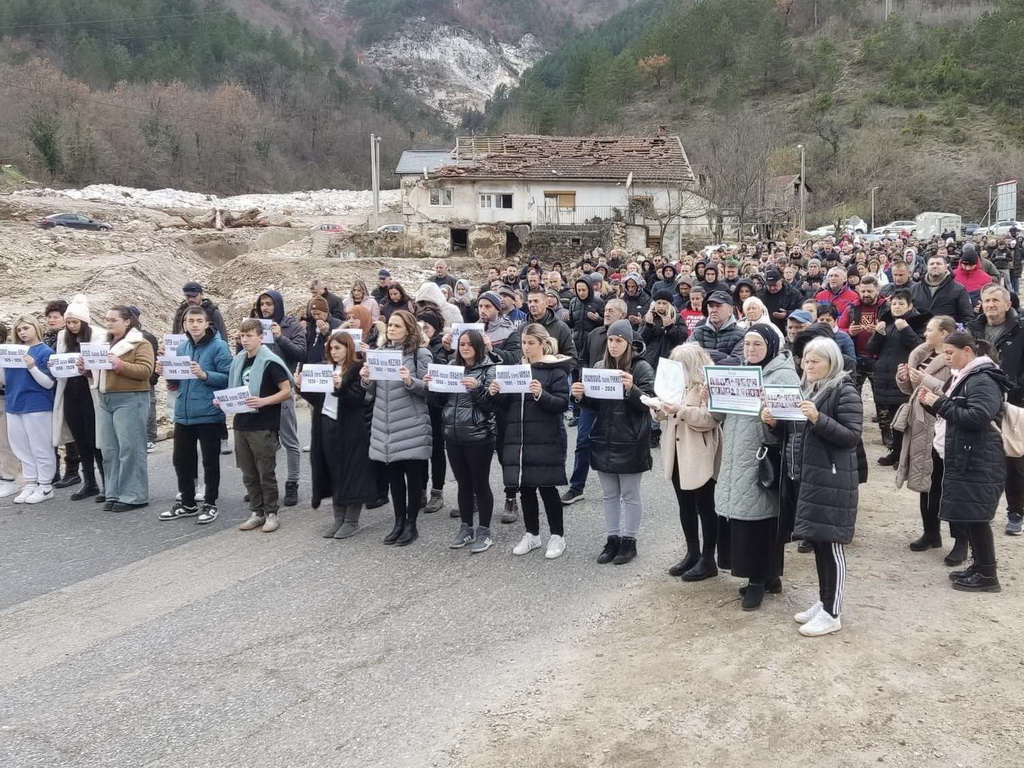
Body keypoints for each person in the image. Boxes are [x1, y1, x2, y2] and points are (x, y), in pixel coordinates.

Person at [769, 337, 863, 637]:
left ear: (831, 362)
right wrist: (775, 422)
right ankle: (824, 602)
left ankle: (832, 612)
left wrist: (818, 418)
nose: (808, 366)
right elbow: (797, 430)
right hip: (811, 476)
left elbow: (851, 436)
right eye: (806, 361)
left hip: (833, 479)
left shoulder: (844, 390)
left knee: (831, 545)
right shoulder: (810, 389)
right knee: (820, 542)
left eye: (815, 361)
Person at [716, 326, 801, 610]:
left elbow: (793, 423)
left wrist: (772, 415)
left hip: (762, 455)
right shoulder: (740, 373)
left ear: (772, 346)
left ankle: (757, 580)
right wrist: (712, 396)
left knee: (760, 520)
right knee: (745, 519)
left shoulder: (783, 375)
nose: (750, 350)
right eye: (747, 344)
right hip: (737, 455)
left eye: (757, 345)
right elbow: (721, 415)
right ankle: (768, 577)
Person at [920, 332, 1008, 593]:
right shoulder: (965, 376)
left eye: (950, 353)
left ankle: (988, 576)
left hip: (979, 456)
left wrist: (940, 403)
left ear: (968, 351)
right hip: (966, 454)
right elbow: (954, 412)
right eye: (944, 353)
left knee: (977, 518)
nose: (946, 358)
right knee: (971, 516)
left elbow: (978, 417)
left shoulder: (981, 378)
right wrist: (931, 404)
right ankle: (979, 566)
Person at [572, 320, 655, 564]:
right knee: (609, 495)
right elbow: (595, 404)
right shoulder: (599, 366)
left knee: (630, 494)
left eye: (618, 340)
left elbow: (651, 404)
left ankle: (629, 541)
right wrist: (580, 397)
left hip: (630, 440)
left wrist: (633, 390)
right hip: (603, 438)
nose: (613, 344)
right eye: (610, 340)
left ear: (629, 342)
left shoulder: (641, 368)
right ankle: (612, 539)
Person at [489, 323, 572, 560]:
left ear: (543, 344)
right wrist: (497, 392)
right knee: (525, 488)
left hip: (545, 438)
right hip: (519, 438)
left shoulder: (555, 371)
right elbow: (506, 406)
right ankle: (532, 534)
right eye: (524, 343)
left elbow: (562, 404)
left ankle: (557, 536)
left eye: (531, 343)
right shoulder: (516, 369)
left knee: (547, 488)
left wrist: (540, 394)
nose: (526, 347)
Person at [360, 310, 433, 547]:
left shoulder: (420, 354)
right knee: (394, 479)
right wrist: (366, 379)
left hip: (410, 422)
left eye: (397, 326)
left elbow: (430, 389)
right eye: (390, 325)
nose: (391, 329)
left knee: (412, 478)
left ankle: (411, 524)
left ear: (409, 329)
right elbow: (371, 393)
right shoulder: (379, 354)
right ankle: (398, 522)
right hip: (386, 423)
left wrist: (410, 381)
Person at [156, 306, 232, 524]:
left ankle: (210, 503)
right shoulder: (181, 347)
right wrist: (165, 373)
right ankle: (188, 502)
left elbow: (228, 377)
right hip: (184, 414)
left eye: (199, 320)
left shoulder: (219, 347)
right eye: (191, 321)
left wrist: (204, 374)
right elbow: (176, 383)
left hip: (208, 413)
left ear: (207, 323)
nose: (195, 324)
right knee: (182, 460)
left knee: (210, 462)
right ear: (185, 324)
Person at [424, 330, 497, 553]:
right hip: (453, 434)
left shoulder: (489, 369)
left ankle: (484, 530)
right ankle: (466, 527)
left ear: (478, 347)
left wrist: (477, 388)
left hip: (478, 435)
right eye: (461, 344)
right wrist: (431, 387)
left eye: (469, 345)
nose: (464, 348)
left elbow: (490, 405)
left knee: (480, 484)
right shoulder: (452, 368)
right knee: (463, 484)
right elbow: (440, 402)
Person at [655, 344, 722, 581]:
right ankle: (692, 552)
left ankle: (708, 558)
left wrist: (681, 410)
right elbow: (668, 413)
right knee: (684, 504)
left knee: (705, 506)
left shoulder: (708, 384)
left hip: (698, 452)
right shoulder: (677, 384)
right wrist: (658, 409)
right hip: (676, 450)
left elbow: (711, 418)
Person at [895, 315, 958, 559]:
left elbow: (955, 390)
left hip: (940, 425)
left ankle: (959, 540)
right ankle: (930, 532)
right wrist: (904, 379)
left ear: (944, 334)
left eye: (930, 330)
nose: (925, 334)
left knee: (945, 484)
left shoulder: (955, 357)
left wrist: (925, 380)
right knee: (925, 483)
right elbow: (913, 392)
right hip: (921, 425)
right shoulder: (921, 354)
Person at [304, 332, 376, 540]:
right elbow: (316, 398)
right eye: (331, 348)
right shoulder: (325, 368)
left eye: (338, 348)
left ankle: (352, 520)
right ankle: (338, 517)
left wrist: (340, 386)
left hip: (351, 428)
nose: (334, 352)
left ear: (348, 348)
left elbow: (357, 399)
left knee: (352, 472)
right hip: (327, 423)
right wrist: (302, 386)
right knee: (333, 470)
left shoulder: (356, 369)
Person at [225, 318, 294, 533]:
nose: (245, 340)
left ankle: (272, 512)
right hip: (242, 422)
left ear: (261, 338)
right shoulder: (239, 361)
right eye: (242, 336)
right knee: (248, 471)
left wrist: (264, 401)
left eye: (250, 336)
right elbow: (235, 390)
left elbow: (286, 390)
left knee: (265, 470)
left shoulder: (270, 362)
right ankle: (257, 511)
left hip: (263, 423)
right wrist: (223, 400)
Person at [967, 283, 1024, 536]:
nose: (990, 305)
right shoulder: (973, 329)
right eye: (986, 301)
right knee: (981, 459)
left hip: (1014, 401)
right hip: (979, 399)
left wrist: (1016, 388)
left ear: (1008, 304)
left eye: (996, 301)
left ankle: (1016, 512)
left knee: (1014, 460)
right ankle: (981, 511)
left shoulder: (1020, 329)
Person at [95, 306, 155, 513]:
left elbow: (146, 370)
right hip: (105, 399)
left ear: (127, 321)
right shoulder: (102, 344)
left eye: (113, 320)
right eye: (106, 319)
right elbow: (100, 373)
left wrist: (120, 364)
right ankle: (114, 491)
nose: (109, 323)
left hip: (130, 398)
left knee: (130, 447)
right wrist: (85, 368)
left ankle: (134, 494)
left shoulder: (141, 343)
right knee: (110, 449)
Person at [251, 290, 305, 505]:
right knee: (263, 444)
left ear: (278, 305)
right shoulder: (255, 327)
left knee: (289, 441)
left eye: (269, 304)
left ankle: (292, 482)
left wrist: (280, 337)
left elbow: (301, 354)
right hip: (259, 393)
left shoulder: (292, 326)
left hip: (282, 392)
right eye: (262, 304)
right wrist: (242, 340)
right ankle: (264, 484)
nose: (265, 308)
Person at [51, 295, 102, 501]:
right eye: (69, 322)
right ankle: (89, 481)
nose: (72, 326)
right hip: (70, 393)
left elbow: (100, 365)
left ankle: (107, 482)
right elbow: (61, 362)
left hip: (89, 393)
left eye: (75, 322)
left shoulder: (97, 336)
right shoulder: (64, 337)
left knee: (95, 439)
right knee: (80, 440)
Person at [2, 315, 55, 504]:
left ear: (35, 327)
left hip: (37, 405)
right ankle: (31, 482)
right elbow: (6, 381)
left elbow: (49, 383)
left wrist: (32, 367)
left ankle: (46, 484)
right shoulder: (13, 351)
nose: (22, 332)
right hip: (14, 404)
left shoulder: (44, 351)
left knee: (40, 446)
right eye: (19, 330)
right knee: (21, 447)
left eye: (26, 328)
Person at [43, 299, 79, 487]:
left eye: (55, 317)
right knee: (51, 431)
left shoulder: (69, 338)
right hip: (47, 389)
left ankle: (72, 471)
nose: (51, 320)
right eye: (49, 317)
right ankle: (53, 471)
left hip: (67, 389)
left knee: (68, 429)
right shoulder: (45, 338)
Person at [691, 291, 745, 362]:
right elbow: (689, 357)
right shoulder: (698, 332)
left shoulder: (741, 335)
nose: (713, 310)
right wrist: (722, 356)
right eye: (711, 306)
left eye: (718, 306)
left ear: (730, 310)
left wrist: (703, 355)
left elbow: (737, 361)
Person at [0, 321, 21, 499]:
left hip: (3, 400)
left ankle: (9, 479)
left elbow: (7, 381)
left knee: (4, 442)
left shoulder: (6, 354)